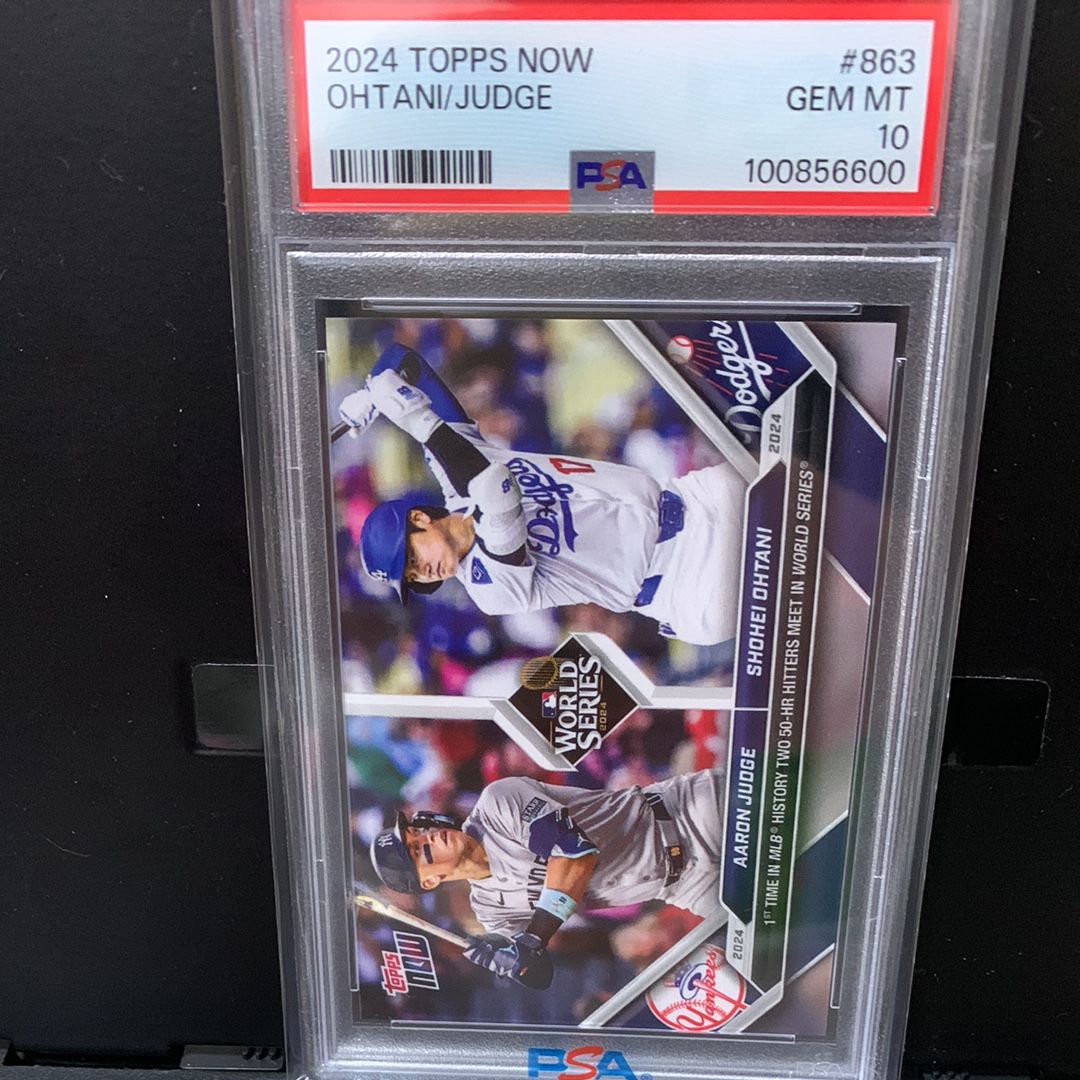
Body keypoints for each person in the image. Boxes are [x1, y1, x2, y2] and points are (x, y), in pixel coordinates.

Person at [340, 343, 746, 646]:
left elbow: (403, 360)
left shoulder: (455, 476)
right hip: (687, 584)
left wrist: (373, 390)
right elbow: (495, 492)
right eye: (411, 576)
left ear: (419, 519)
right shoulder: (486, 588)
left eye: (412, 558)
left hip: (694, 497)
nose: (421, 573)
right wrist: (416, 420)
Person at [369, 769, 724, 989]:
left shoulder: (496, 804)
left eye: (418, 832)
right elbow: (540, 976)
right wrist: (507, 962)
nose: (429, 836)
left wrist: (532, 938)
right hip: (683, 887)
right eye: (419, 851)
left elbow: (574, 852)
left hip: (689, 814)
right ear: (430, 882)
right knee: (751, 944)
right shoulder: (491, 910)